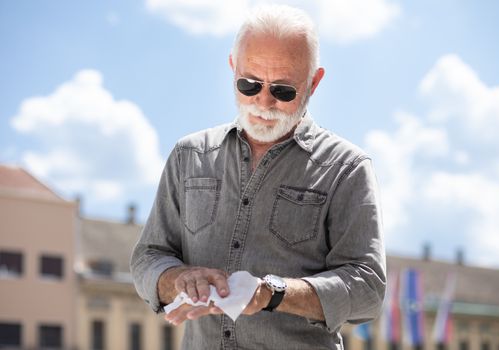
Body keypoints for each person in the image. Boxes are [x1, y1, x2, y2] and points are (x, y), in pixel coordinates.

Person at [131, 5, 386, 349]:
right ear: (232, 67)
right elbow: (148, 256)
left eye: (283, 90)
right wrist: (179, 279)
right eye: (249, 84)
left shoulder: (347, 167)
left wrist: (273, 293)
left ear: (314, 82)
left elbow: (367, 288)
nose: (263, 102)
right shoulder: (188, 155)